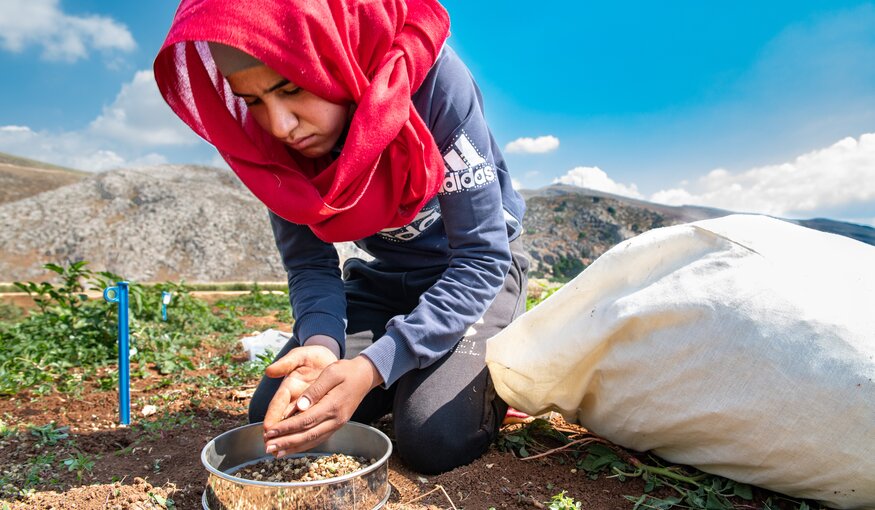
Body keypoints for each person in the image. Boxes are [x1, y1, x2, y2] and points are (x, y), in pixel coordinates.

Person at [154, 0, 528, 474]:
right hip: (387, 278)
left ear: (337, 55)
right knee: (284, 413)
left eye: (291, 88)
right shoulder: (268, 144)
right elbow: (310, 265)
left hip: (478, 278)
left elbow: (480, 258)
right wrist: (322, 345)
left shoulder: (431, 82)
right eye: (253, 101)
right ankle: (413, 361)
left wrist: (374, 366)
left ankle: (453, 370)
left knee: (432, 435)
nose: (281, 125)